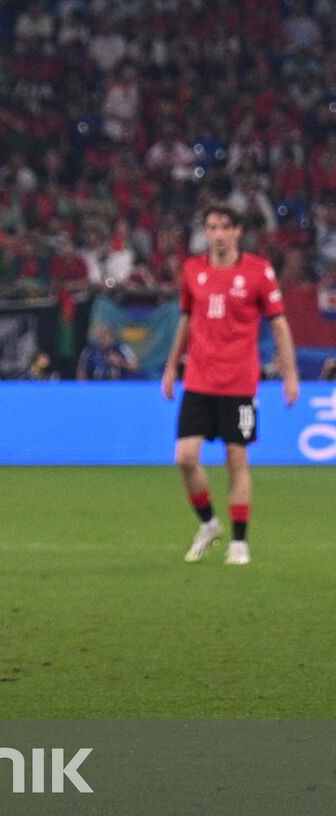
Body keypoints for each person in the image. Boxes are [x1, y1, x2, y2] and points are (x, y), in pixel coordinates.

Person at [161, 203, 299, 565]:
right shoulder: (193, 271)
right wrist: (171, 366)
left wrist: (290, 373)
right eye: (211, 227)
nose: (218, 234)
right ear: (205, 232)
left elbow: (279, 324)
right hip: (199, 380)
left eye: (225, 227)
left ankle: (240, 542)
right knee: (185, 458)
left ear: (238, 231)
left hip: (239, 384)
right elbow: (186, 319)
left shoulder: (259, 271)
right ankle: (209, 524)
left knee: (236, 459)